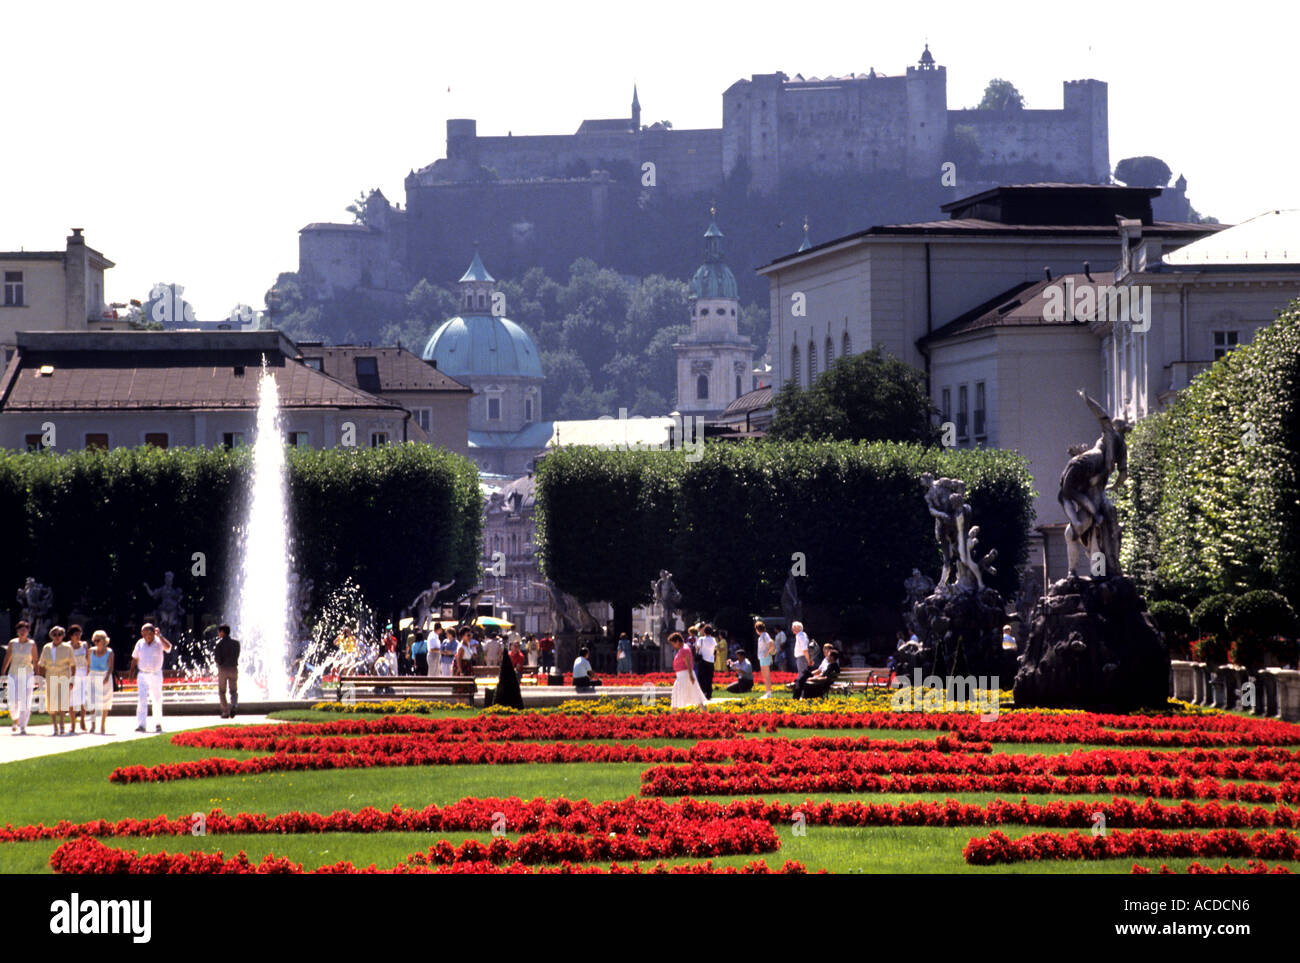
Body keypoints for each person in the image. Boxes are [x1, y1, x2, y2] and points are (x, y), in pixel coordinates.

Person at [129, 622, 171, 733]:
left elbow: (168, 648)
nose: (146, 636)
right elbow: (135, 658)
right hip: (142, 674)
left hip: (155, 674)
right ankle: (141, 725)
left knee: (156, 699)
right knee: (142, 699)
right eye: (144, 633)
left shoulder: (159, 642)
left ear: (153, 633)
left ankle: (158, 724)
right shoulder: (140, 643)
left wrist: (160, 636)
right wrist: (131, 672)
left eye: (149, 633)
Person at [38, 626, 74, 736]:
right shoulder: (46, 648)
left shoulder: (68, 648)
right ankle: (55, 726)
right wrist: (41, 676)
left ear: (63, 636)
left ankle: (62, 723)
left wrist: (72, 680)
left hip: (64, 676)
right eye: (55, 634)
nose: (57, 637)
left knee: (63, 701)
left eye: (59, 634)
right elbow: (41, 664)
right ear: (51, 636)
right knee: (52, 702)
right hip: (51, 676)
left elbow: (72, 665)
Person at [3, 620, 35, 735]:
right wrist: (3, 672)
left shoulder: (32, 644)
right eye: (20, 630)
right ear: (17, 631)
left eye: (25, 630)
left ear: (28, 631)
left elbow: (35, 661)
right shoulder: (12, 643)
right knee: (13, 700)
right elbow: (7, 658)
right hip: (14, 673)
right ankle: (15, 719)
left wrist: (37, 676)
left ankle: (23, 726)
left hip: (27, 674)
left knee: (25, 700)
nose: (22, 632)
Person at [87, 631, 114, 735]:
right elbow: (88, 665)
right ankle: (93, 724)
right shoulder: (90, 651)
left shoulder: (109, 652)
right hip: (93, 675)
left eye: (98, 640)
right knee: (92, 700)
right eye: (95, 640)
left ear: (104, 641)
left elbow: (111, 666)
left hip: (104, 675)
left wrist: (107, 677)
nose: (96, 642)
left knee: (105, 700)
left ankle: (102, 725)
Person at [669, 633, 706, 709]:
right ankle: (674, 713)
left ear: (677, 641)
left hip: (685, 674)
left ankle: (674, 713)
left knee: (682, 693)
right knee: (692, 693)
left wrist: (691, 676)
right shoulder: (683, 649)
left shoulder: (684, 649)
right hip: (682, 674)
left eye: (673, 644)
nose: (673, 646)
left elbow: (688, 663)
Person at [213, 624, 240, 719]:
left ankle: (225, 712)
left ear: (222, 632)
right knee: (234, 691)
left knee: (222, 691)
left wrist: (221, 663)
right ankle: (234, 706)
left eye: (219, 632)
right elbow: (237, 655)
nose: (218, 634)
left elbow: (217, 659)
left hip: (223, 669)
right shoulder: (236, 643)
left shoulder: (219, 645)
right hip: (233, 668)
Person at [67, 625, 90, 734]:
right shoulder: (67, 646)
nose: (78, 636)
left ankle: (82, 720)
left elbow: (88, 660)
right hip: (72, 673)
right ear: (71, 636)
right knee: (71, 700)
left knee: (83, 699)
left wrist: (88, 673)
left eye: (79, 634)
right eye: (75, 634)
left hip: (83, 673)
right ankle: (72, 724)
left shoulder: (84, 645)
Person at [754, 620, 776, 700]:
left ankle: (768, 694)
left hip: (765, 658)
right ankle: (767, 693)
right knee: (765, 676)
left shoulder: (764, 635)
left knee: (766, 676)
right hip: (762, 658)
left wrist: (767, 653)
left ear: (757, 629)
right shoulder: (762, 636)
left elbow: (771, 644)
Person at [694, 625, 717, 699]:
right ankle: (709, 694)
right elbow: (715, 649)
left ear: (704, 631)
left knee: (701, 677)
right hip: (711, 660)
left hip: (702, 660)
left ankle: (703, 692)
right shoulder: (713, 640)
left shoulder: (701, 639)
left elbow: (697, 648)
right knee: (709, 678)